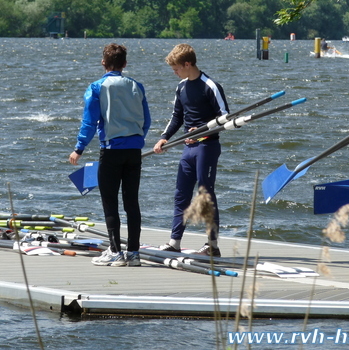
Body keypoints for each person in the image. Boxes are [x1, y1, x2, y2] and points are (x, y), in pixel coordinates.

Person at [69, 43, 151, 267]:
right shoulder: (137, 86)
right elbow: (147, 120)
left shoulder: (97, 87)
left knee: (110, 202)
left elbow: (89, 121)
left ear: (103, 62)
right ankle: (133, 253)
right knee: (132, 202)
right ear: (124, 64)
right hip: (134, 150)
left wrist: (79, 148)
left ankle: (115, 251)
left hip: (112, 150)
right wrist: (137, 139)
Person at [153, 44, 229, 256]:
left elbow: (226, 117)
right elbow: (177, 117)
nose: (174, 72)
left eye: (176, 68)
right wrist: (163, 138)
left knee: (205, 194)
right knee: (181, 195)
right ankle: (174, 242)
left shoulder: (210, 86)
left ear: (188, 64)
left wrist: (203, 128)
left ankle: (212, 246)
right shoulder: (181, 87)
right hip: (188, 148)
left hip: (207, 146)